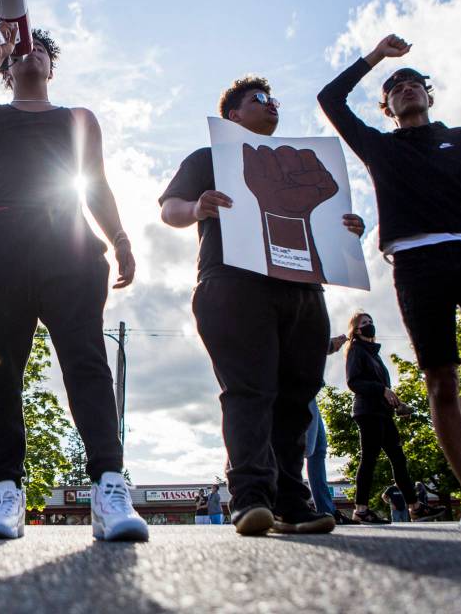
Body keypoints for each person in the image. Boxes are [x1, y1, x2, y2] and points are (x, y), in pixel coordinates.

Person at [318, 33, 461, 532]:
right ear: (386, 106)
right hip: (416, 264)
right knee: (440, 378)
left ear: (429, 94)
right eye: (395, 87)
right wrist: (378, 56)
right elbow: (329, 99)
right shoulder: (379, 148)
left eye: (413, 83)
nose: (405, 88)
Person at [0, 23, 148, 541]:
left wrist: (121, 236)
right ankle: (7, 491)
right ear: (9, 68)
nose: (29, 56)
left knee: (86, 359)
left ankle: (109, 485)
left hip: (68, 239)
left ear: (51, 66)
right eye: (21, 53)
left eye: (38, 50)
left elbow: (97, 183)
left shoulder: (78, 117)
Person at [159, 75, 365, 536]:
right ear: (233, 114)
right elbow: (169, 208)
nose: (271, 106)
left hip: (302, 288)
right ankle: (251, 498)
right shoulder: (209, 158)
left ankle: (293, 500)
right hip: (233, 284)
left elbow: (328, 215)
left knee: (298, 393)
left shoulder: (309, 163)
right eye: (259, 100)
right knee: (250, 390)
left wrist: (345, 226)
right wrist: (196, 208)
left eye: (274, 101)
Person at [345, 312, 444, 524]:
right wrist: (381, 389)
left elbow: (384, 390)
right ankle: (361, 509)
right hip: (368, 413)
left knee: (399, 459)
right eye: (364, 323)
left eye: (371, 321)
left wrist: (399, 404)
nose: (370, 325)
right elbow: (354, 382)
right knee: (369, 459)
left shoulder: (374, 355)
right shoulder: (356, 350)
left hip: (383, 413)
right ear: (356, 330)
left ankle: (415, 507)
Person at [306, 335, 356, 525]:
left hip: (310, 388)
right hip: (297, 386)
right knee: (301, 447)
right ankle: (280, 503)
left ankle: (326, 509)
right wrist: (328, 344)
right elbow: (299, 341)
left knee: (318, 449)